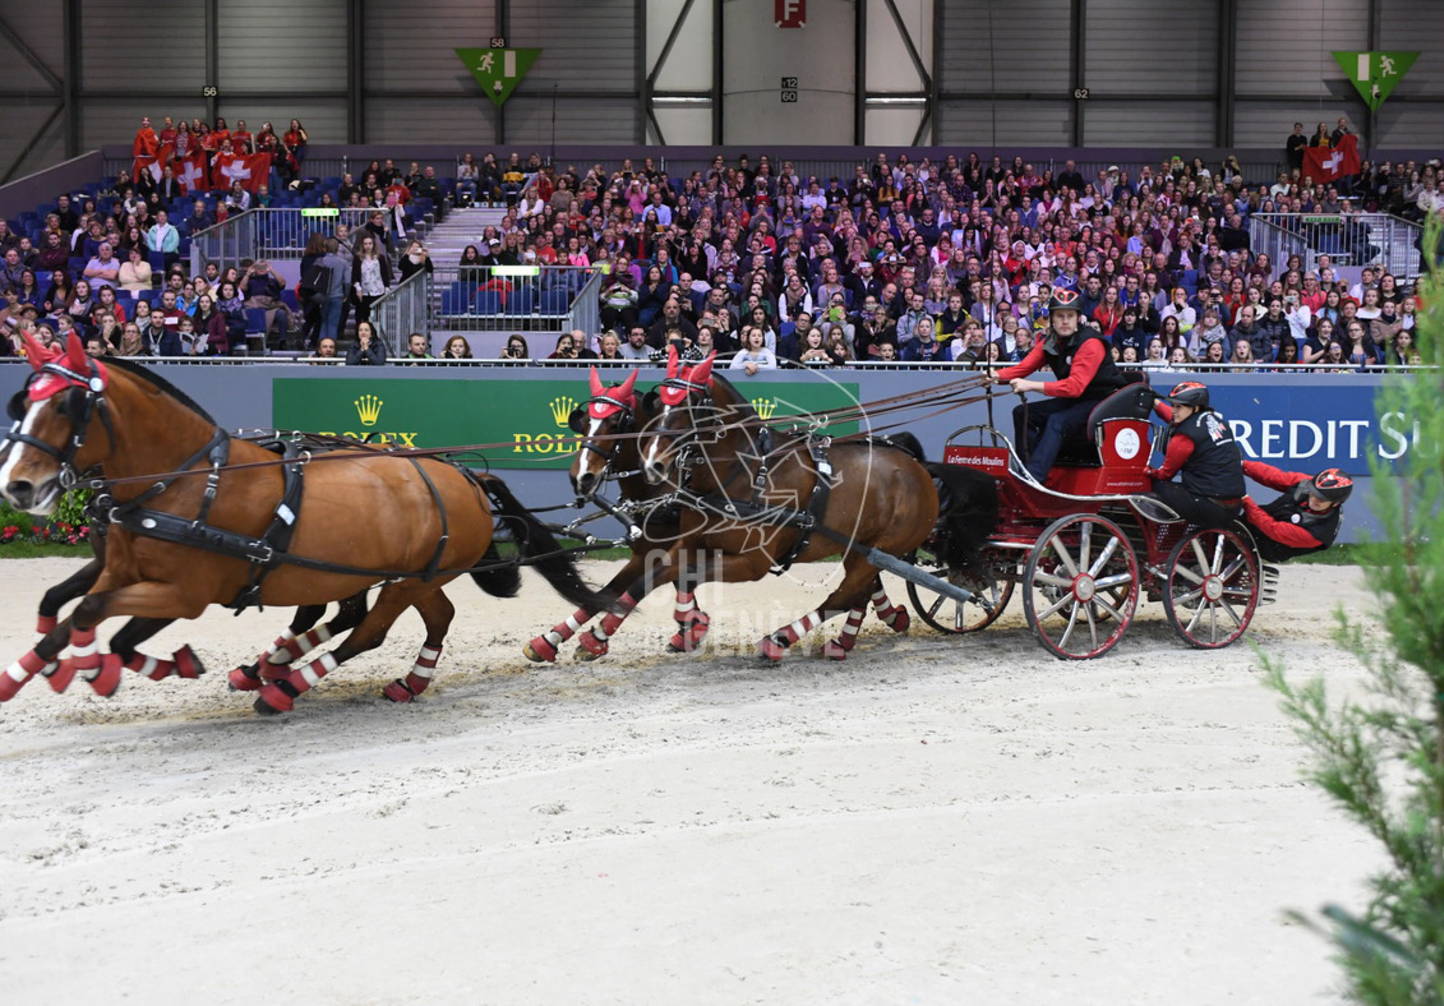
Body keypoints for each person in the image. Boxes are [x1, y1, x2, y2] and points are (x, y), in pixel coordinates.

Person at [995, 288, 1129, 484]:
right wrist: (995, 376)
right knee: (1022, 413)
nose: (1065, 321)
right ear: (1052, 319)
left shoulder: (1090, 343)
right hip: (1076, 400)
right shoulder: (1050, 342)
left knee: (1057, 421)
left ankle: (1035, 477)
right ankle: (1027, 468)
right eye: (1059, 316)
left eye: (1070, 316)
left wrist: (1030, 385)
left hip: (1102, 401)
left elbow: (1074, 387)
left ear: (1078, 319)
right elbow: (1024, 367)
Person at [1144, 381, 1246, 530]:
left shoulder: (1184, 437)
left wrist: (1147, 471)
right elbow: (1175, 419)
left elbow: (1165, 474)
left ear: (1195, 407)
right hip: (1233, 505)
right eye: (1172, 405)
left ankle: (1159, 536)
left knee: (1152, 486)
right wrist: (1155, 403)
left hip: (1210, 507)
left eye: (1178, 406)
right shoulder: (1213, 419)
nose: (1173, 411)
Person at [1239, 463, 1352, 562]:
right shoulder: (1307, 483)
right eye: (1313, 493)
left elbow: (1272, 528)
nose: (1314, 499)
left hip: (1271, 545)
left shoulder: (1317, 534)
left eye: (1321, 499)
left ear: (1335, 503)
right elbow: (1273, 476)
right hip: (1268, 517)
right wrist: (1242, 465)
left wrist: (1246, 501)